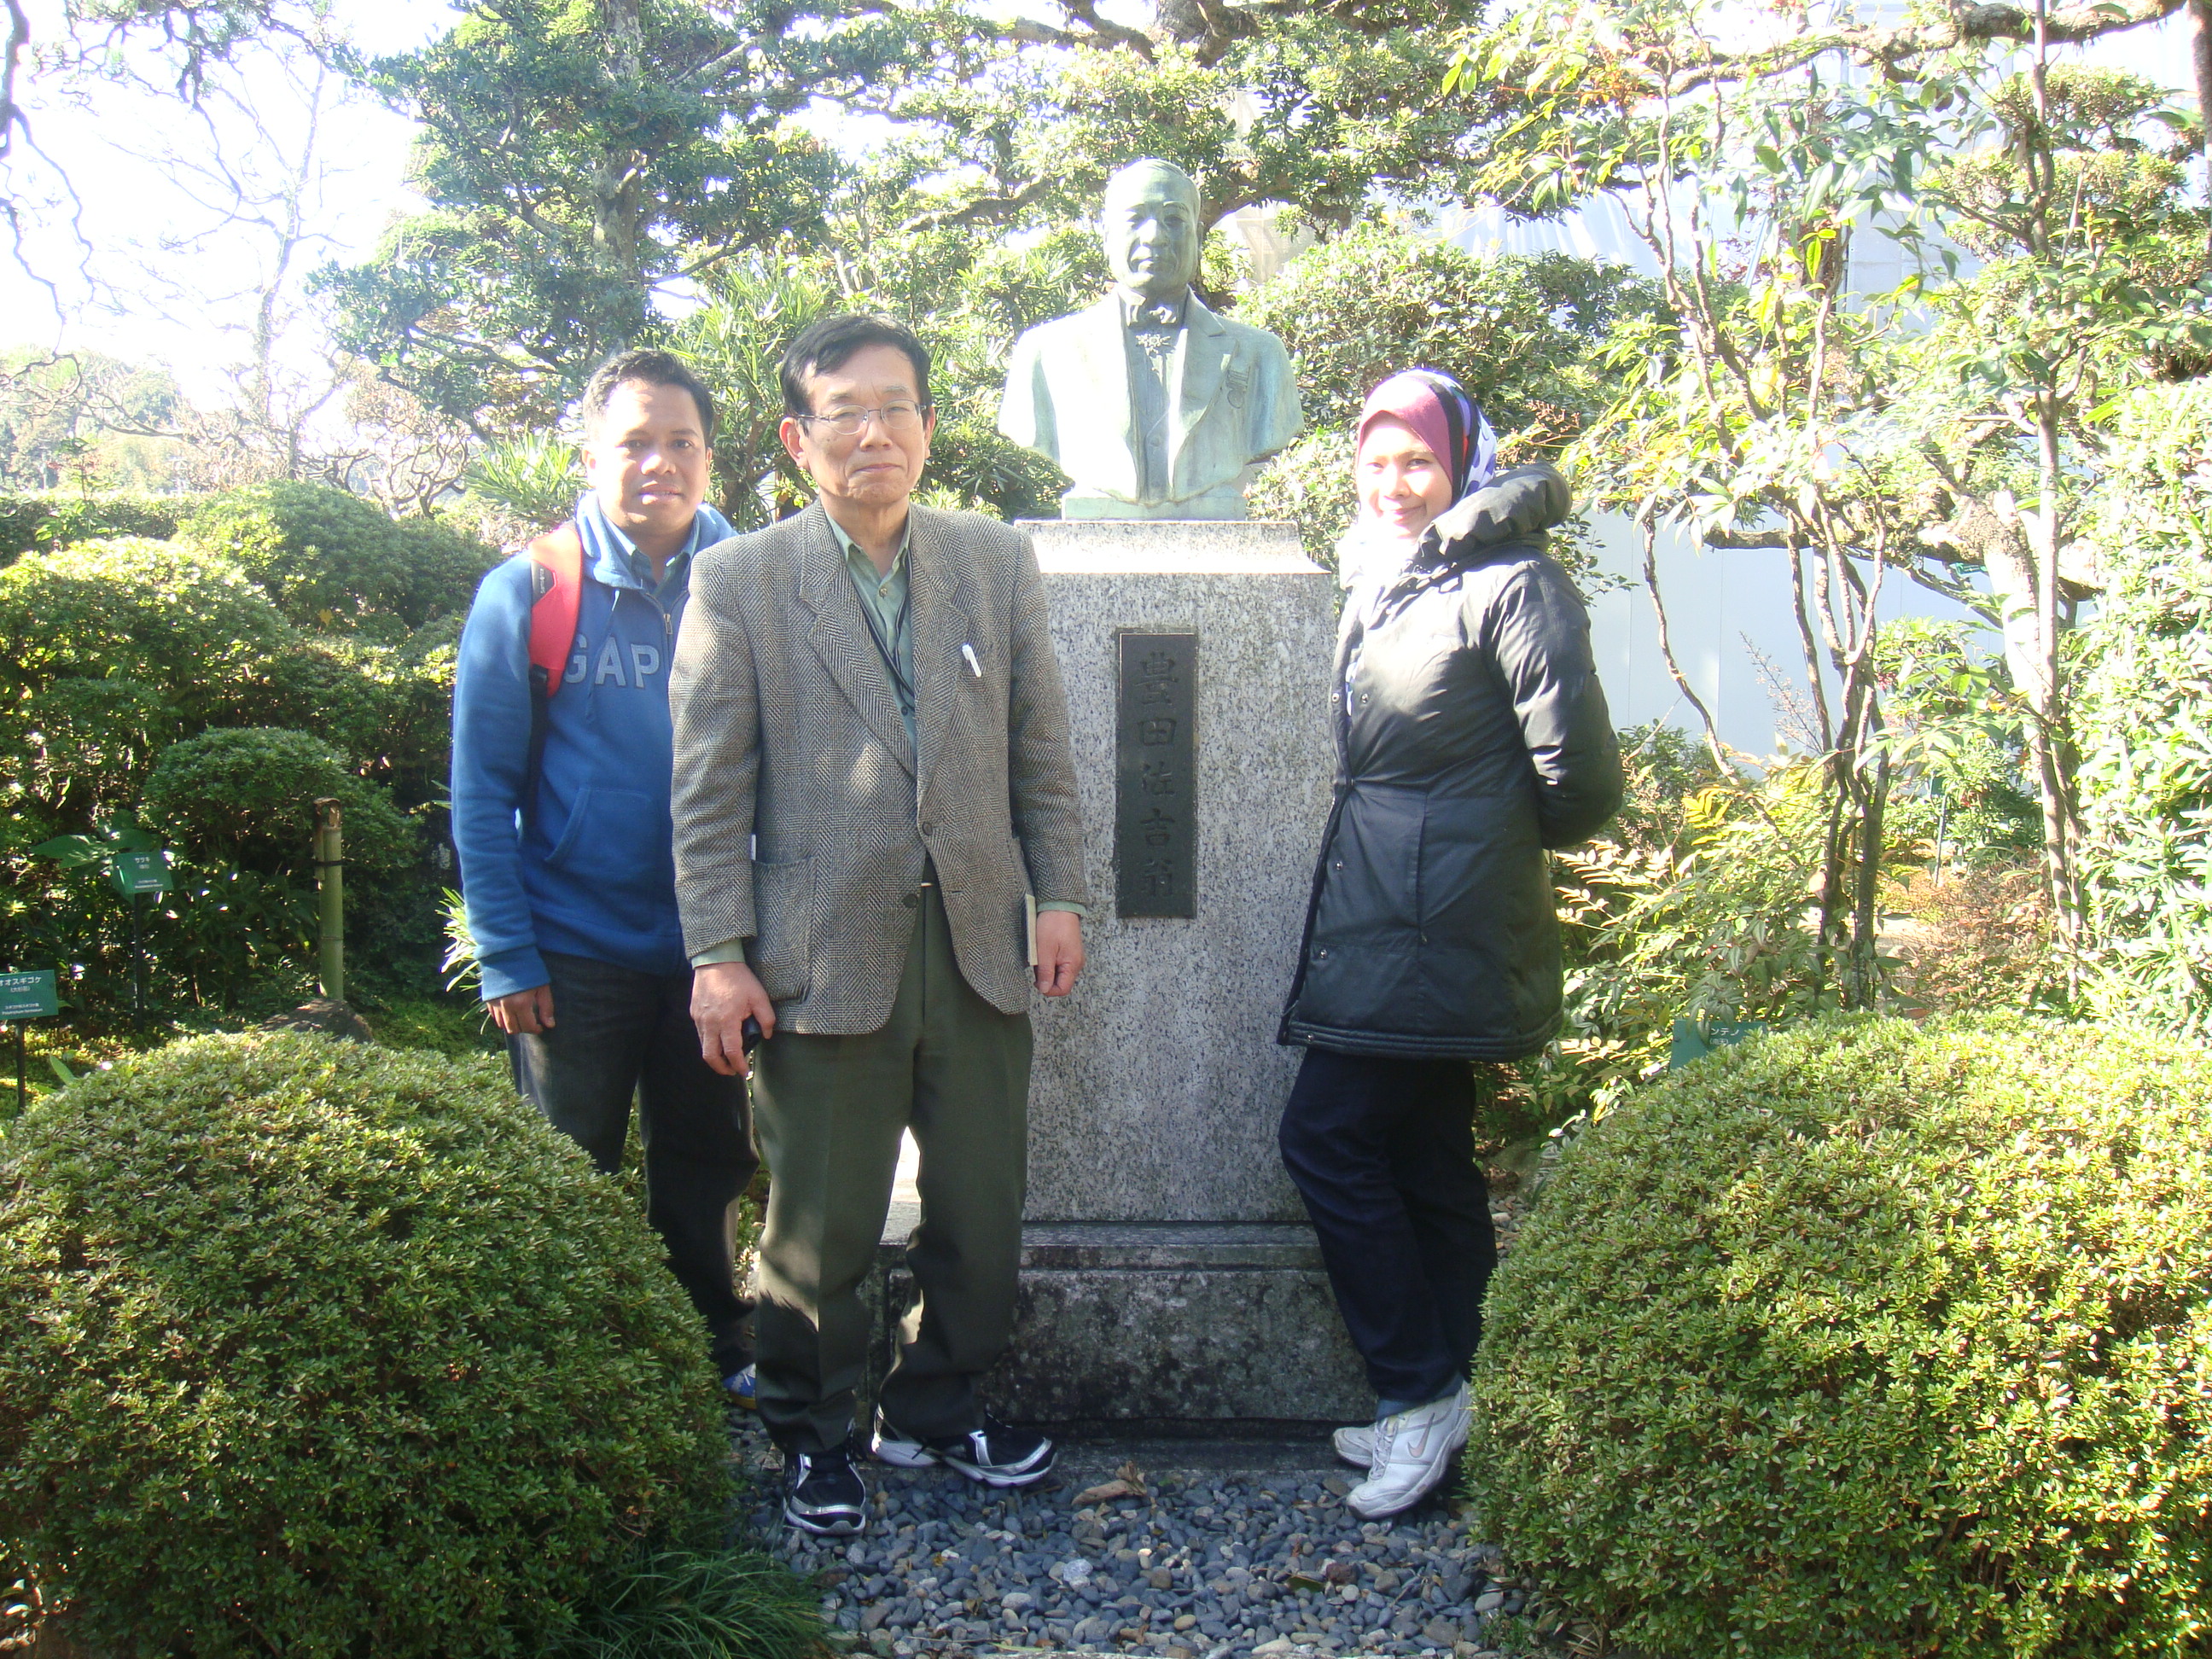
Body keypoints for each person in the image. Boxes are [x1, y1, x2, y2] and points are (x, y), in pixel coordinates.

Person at [669, 313, 1089, 1537]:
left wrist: (1059, 894)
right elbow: (707, 789)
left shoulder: (992, 561)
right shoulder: (742, 580)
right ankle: (812, 1435)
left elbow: (1040, 749)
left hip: (978, 939)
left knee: (981, 1206)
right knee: (821, 1221)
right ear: (797, 439)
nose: (874, 432)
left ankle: (935, 1407)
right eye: (845, 411)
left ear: (929, 426)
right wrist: (716, 955)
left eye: (896, 406)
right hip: (820, 953)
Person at [1276, 369, 1622, 1520]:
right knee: (1424, 1151)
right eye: (1377, 462)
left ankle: (1418, 1391)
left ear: (1464, 464)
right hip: (1392, 905)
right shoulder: (1391, 576)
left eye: (1418, 461)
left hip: (1437, 914)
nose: (1395, 483)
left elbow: (1582, 782)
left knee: (1325, 1136)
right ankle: (1480, 1390)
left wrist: (1476, 849)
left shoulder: (1515, 583)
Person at [451, 347, 760, 1400]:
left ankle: (711, 1348)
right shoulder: (530, 591)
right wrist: (506, 953)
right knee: (562, 1166)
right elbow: (481, 792)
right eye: (634, 442)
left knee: (708, 1162)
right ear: (590, 456)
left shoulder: (756, 581)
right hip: (574, 946)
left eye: (681, 442)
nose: (658, 462)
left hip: (716, 947)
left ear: (710, 457)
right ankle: (558, 1371)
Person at [997, 157, 1301, 519]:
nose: (1155, 236)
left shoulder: (1262, 355)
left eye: (1174, 220)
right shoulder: (1044, 353)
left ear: (1197, 238)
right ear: (1107, 237)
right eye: (1135, 218)